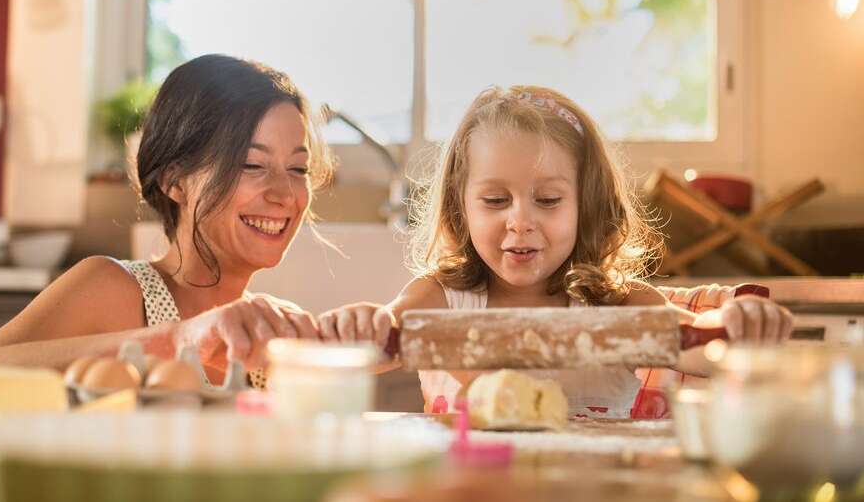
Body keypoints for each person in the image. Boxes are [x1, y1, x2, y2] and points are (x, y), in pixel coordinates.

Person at [319, 85, 793, 417]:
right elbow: (379, 341)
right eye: (495, 200)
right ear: (461, 209)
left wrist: (736, 326)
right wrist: (363, 327)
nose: (520, 220)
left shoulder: (616, 304)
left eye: (547, 200)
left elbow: (697, 345)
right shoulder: (442, 298)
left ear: (585, 206)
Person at [0, 55, 332, 387]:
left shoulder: (272, 331)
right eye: (251, 164)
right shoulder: (114, 289)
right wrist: (179, 339)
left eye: (298, 169)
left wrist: (382, 334)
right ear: (175, 182)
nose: (284, 194)